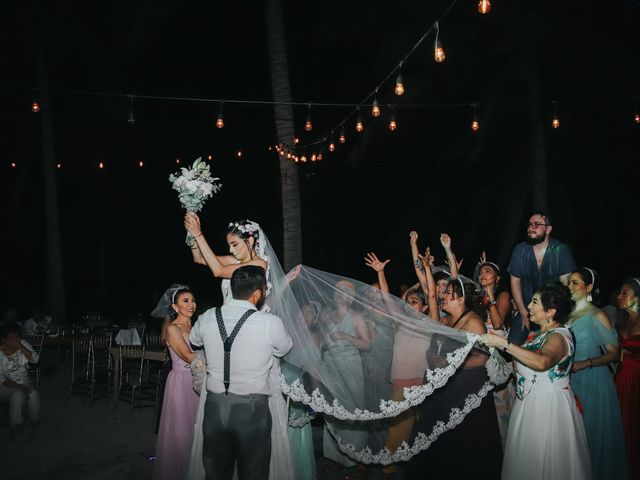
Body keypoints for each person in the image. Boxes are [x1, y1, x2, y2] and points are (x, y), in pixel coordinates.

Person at [184, 216, 293, 480]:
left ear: (251, 240)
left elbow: (217, 271)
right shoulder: (238, 261)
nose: (231, 250)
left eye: (234, 244)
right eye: (229, 245)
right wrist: (191, 235)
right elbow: (201, 260)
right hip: (226, 332)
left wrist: (200, 235)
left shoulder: (258, 265)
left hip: (252, 335)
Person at [480, 282, 591, 480]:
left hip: (548, 409)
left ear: (550, 311)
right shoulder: (536, 336)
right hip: (527, 406)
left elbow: (543, 362)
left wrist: (504, 344)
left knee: (546, 465)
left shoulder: (559, 336)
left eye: (534, 302)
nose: (528, 306)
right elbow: (521, 365)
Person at [406, 275, 503, 479]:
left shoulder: (474, 322)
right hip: (445, 389)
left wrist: (451, 363)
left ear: (461, 300)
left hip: (466, 391)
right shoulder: (445, 319)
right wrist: (432, 356)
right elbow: (438, 347)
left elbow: (482, 357)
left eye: (449, 294)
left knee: (463, 444)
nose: (444, 296)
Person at [566, 268, 628, 479]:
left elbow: (614, 353)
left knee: (592, 436)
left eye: (576, 283)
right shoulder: (568, 314)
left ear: (589, 287)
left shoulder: (597, 314)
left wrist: (586, 363)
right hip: (571, 380)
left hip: (593, 380)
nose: (570, 287)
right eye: (569, 283)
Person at [152, 286, 200, 480]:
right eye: (185, 301)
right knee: (181, 431)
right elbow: (189, 357)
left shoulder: (195, 327)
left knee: (197, 428)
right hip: (180, 381)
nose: (191, 304)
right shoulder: (172, 328)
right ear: (175, 306)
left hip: (198, 380)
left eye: (193, 300)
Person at [507, 212, 576, 345]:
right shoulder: (520, 250)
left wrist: (560, 316)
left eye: (536, 224)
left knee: (549, 348)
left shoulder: (562, 250)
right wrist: (522, 311)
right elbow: (515, 281)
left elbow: (565, 287)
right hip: (527, 309)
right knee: (512, 344)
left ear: (548, 229)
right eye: (529, 224)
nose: (531, 227)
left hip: (551, 313)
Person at [475, 254, 515, 447]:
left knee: (499, 405)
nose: (483, 274)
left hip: (498, 350)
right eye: (481, 271)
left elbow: (498, 323)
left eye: (488, 271)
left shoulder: (503, 295)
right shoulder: (476, 297)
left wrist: (490, 295)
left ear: (497, 278)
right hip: (480, 352)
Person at [615, 277, 640, 480]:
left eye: (625, 293)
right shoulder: (621, 321)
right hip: (621, 378)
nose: (619, 297)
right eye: (620, 292)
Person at [0, 322, 40, 440]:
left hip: (24, 381)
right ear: (3, 339)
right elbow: (1, 378)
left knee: (34, 395)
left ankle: (35, 429)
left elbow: (35, 360)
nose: (16, 339)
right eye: (11, 336)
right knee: (19, 394)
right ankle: (16, 428)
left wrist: (21, 347)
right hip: (4, 384)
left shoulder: (23, 344)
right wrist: (20, 387)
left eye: (17, 335)